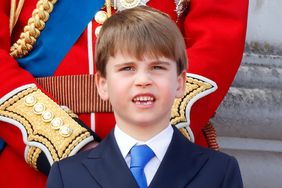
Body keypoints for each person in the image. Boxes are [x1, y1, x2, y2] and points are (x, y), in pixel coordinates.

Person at [0, 0, 248, 187]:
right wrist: (67, 145)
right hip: (31, 164)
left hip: (169, 165)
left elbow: (218, 45)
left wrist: (151, 145)